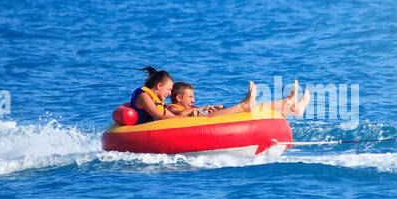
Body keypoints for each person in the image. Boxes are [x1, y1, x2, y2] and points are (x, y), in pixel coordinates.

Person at [129, 66, 309, 123]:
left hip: (180, 119)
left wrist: (199, 109)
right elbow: (162, 117)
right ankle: (246, 104)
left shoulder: (161, 102)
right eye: (168, 89)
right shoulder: (146, 97)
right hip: (152, 129)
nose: (169, 93)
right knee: (239, 110)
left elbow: (167, 115)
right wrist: (194, 114)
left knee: (250, 109)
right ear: (159, 86)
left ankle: (289, 106)